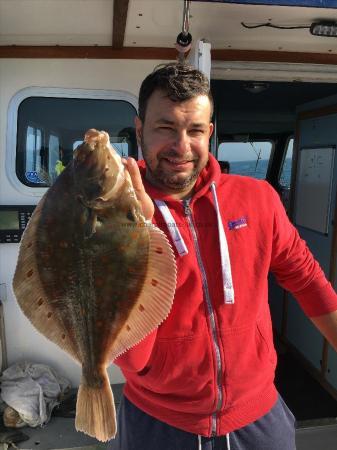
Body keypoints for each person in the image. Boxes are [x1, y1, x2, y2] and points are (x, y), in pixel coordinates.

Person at [109, 63, 337, 450]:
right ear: (139, 129)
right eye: (165, 128)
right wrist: (136, 232)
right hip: (159, 423)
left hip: (260, 417)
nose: (181, 146)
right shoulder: (111, 210)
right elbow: (130, 358)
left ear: (209, 132)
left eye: (195, 130)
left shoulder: (258, 198)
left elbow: (307, 279)